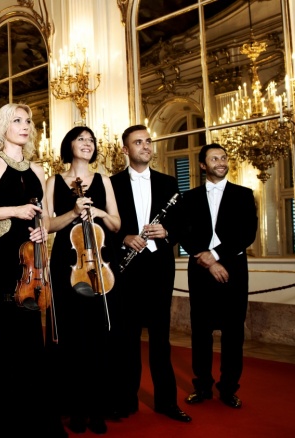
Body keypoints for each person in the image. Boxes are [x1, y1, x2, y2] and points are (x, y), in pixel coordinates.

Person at [0, 103, 66, 438]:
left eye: (28, 121)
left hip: (34, 258)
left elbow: (45, 217)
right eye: (17, 120)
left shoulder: (37, 169)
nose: (25, 125)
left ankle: (34, 418)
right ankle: (7, 422)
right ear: (3, 126)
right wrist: (14, 210)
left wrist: (42, 229)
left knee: (32, 337)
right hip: (6, 259)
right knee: (8, 336)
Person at [109, 125, 190, 422]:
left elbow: (183, 224)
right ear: (125, 149)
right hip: (126, 268)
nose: (145, 146)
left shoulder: (169, 182)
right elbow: (103, 226)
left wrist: (166, 232)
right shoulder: (111, 184)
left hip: (158, 268)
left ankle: (167, 402)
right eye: (138, 142)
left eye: (148, 141)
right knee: (127, 338)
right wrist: (124, 238)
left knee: (160, 339)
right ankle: (125, 401)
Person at [44, 126, 121, 434]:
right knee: (71, 335)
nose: (87, 144)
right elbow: (48, 225)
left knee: (99, 335)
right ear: (70, 145)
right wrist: (73, 212)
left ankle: (97, 407)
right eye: (81, 139)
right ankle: (75, 407)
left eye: (91, 140)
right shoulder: (54, 181)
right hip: (68, 262)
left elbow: (116, 224)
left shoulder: (104, 181)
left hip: (99, 265)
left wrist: (97, 212)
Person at [179, 143, 257, 409]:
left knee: (233, 333)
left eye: (224, 157)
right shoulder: (188, 198)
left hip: (233, 271)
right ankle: (202, 387)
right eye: (214, 158)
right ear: (203, 165)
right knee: (200, 333)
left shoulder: (244, 195)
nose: (221, 162)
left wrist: (214, 255)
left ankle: (228, 389)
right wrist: (208, 262)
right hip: (200, 272)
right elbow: (184, 234)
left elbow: (247, 234)